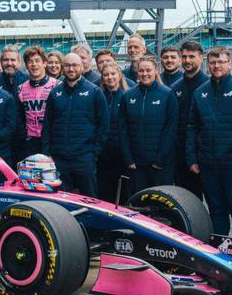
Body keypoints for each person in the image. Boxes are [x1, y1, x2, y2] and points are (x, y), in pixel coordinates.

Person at [187, 46, 232, 241]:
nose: (216, 66)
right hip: (208, 162)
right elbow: (192, 127)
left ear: (230, 63)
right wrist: (192, 158)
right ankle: (219, 249)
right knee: (216, 209)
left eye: (221, 62)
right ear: (208, 65)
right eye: (213, 62)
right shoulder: (201, 92)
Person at [43, 53, 108, 195]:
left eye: (75, 65)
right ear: (63, 67)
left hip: (84, 157)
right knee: (60, 199)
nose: (71, 69)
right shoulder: (55, 93)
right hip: (60, 158)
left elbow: (103, 126)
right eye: (67, 65)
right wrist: (47, 153)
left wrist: (94, 153)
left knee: (89, 198)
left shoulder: (94, 91)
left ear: (82, 66)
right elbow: (47, 125)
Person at [120, 56, 177, 194]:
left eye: (148, 70)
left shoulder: (167, 94)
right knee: (138, 201)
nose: (144, 74)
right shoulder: (128, 95)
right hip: (136, 164)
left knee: (160, 202)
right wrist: (128, 158)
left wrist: (160, 159)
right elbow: (123, 129)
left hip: (160, 164)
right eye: (141, 71)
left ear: (156, 70)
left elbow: (171, 129)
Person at [168, 41, 206, 197]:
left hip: (205, 151)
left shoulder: (209, 85)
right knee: (186, 198)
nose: (187, 60)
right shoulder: (175, 88)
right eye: (184, 57)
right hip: (182, 152)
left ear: (201, 58)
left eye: (192, 56)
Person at [14, 46, 59, 161]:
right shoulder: (20, 89)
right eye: (30, 62)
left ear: (44, 63)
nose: (34, 64)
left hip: (53, 140)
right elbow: (19, 118)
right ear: (26, 66)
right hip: (31, 141)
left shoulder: (57, 85)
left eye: (37, 61)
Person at [96, 62, 129, 202]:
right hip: (102, 154)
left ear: (119, 75)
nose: (110, 77)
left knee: (122, 193)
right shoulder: (98, 96)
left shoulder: (127, 96)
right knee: (104, 192)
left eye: (113, 74)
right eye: (106, 75)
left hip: (121, 154)